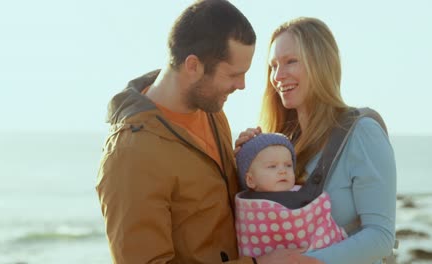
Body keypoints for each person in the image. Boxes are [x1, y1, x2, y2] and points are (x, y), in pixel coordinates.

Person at [96, 1, 322, 263]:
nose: (242, 85)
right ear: (193, 66)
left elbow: (212, 208)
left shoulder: (211, 111)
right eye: (233, 75)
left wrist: (248, 167)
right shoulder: (131, 155)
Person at [235, 17, 397, 264]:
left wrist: (298, 262)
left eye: (291, 61)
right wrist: (242, 164)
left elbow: (380, 237)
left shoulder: (362, 133)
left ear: (320, 64)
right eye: (273, 66)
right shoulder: (278, 144)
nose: (278, 76)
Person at [234, 133, 347, 257]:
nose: (283, 171)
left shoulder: (306, 196)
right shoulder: (247, 207)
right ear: (250, 180)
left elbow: (320, 221)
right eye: (272, 166)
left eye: (288, 165)